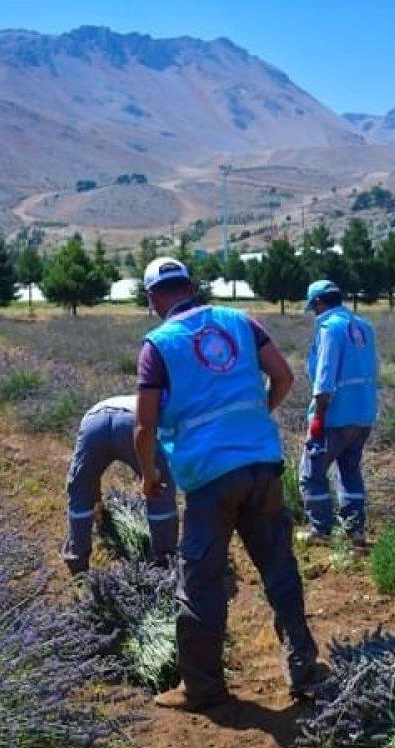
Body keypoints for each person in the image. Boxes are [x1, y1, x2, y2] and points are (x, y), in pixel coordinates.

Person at [133, 257, 319, 712]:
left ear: (154, 297)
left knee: (200, 582)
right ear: (190, 286)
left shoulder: (158, 345)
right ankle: (303, 672)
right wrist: (256, 420)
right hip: (262, 465)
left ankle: (202, 688)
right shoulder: (241, 321)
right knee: (279, 568)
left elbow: (143, 426)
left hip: (209, 479)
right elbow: (284, 376)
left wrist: (149, 476)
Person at [301, 280, 379, 546]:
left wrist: (318, 418)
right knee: (349, 471)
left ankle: (321, 531)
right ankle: (354, 530)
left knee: (312, 473)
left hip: (336, 414)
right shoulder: (364, 327)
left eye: (314, 307)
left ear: (319, 303)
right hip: (364, 412)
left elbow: (324, 379)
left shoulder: (329, 328)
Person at [62, 394, 178, 574]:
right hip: (132, 422)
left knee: (81, 485)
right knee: (159, 489)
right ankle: (163, 560)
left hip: (94, 419)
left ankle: (77, 559)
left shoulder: (135, 398)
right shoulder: (165, 405)